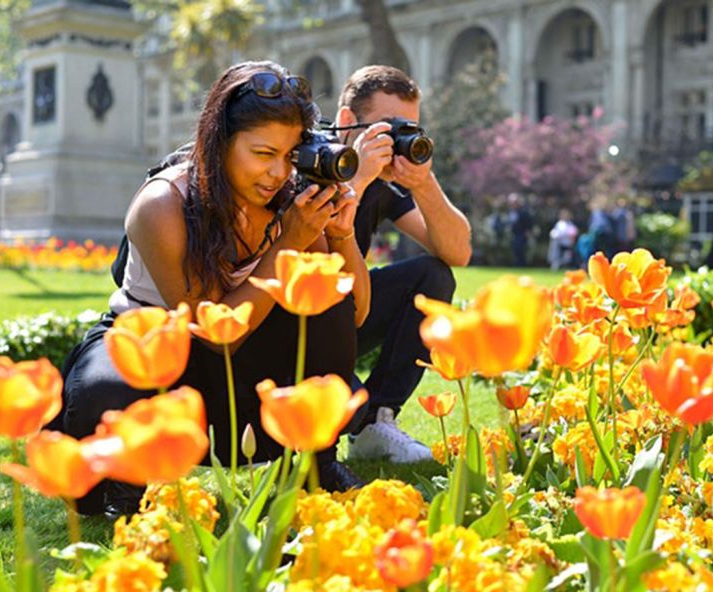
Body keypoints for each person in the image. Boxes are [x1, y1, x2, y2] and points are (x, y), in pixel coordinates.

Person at [49, 61, 369, 517]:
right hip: (151, 342)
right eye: (262, 153)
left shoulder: (290, 201)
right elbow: (218, 334)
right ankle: (127, 484)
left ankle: (317, 464)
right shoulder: (163, 204)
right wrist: (288, 243)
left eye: (289, 155)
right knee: (103, 409)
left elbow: (352, 312)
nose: (278, 173)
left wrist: (341, 234)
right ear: (219, 144)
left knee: (325, 301)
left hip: (231, 365)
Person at [333, 65, 472, 463]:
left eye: (408, 128)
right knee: (349, 407)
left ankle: (378, 419)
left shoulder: (385, 180)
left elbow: (457, 253)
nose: (398, 140)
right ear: (347, 122)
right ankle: (362, 420)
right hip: (298, 326)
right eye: (387, 127)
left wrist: (423, 183)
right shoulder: (315, 163)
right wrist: (355, 181)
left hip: (350, 312)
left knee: (434, 275)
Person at [507, 194, 534, 266]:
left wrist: (528, 231)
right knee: (515, 250)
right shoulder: (510, 212)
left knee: (520, 249)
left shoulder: (523, 212)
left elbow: (529, 222)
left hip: (522, 234)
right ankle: (517, 263)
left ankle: (522, 264)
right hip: (514, 234)